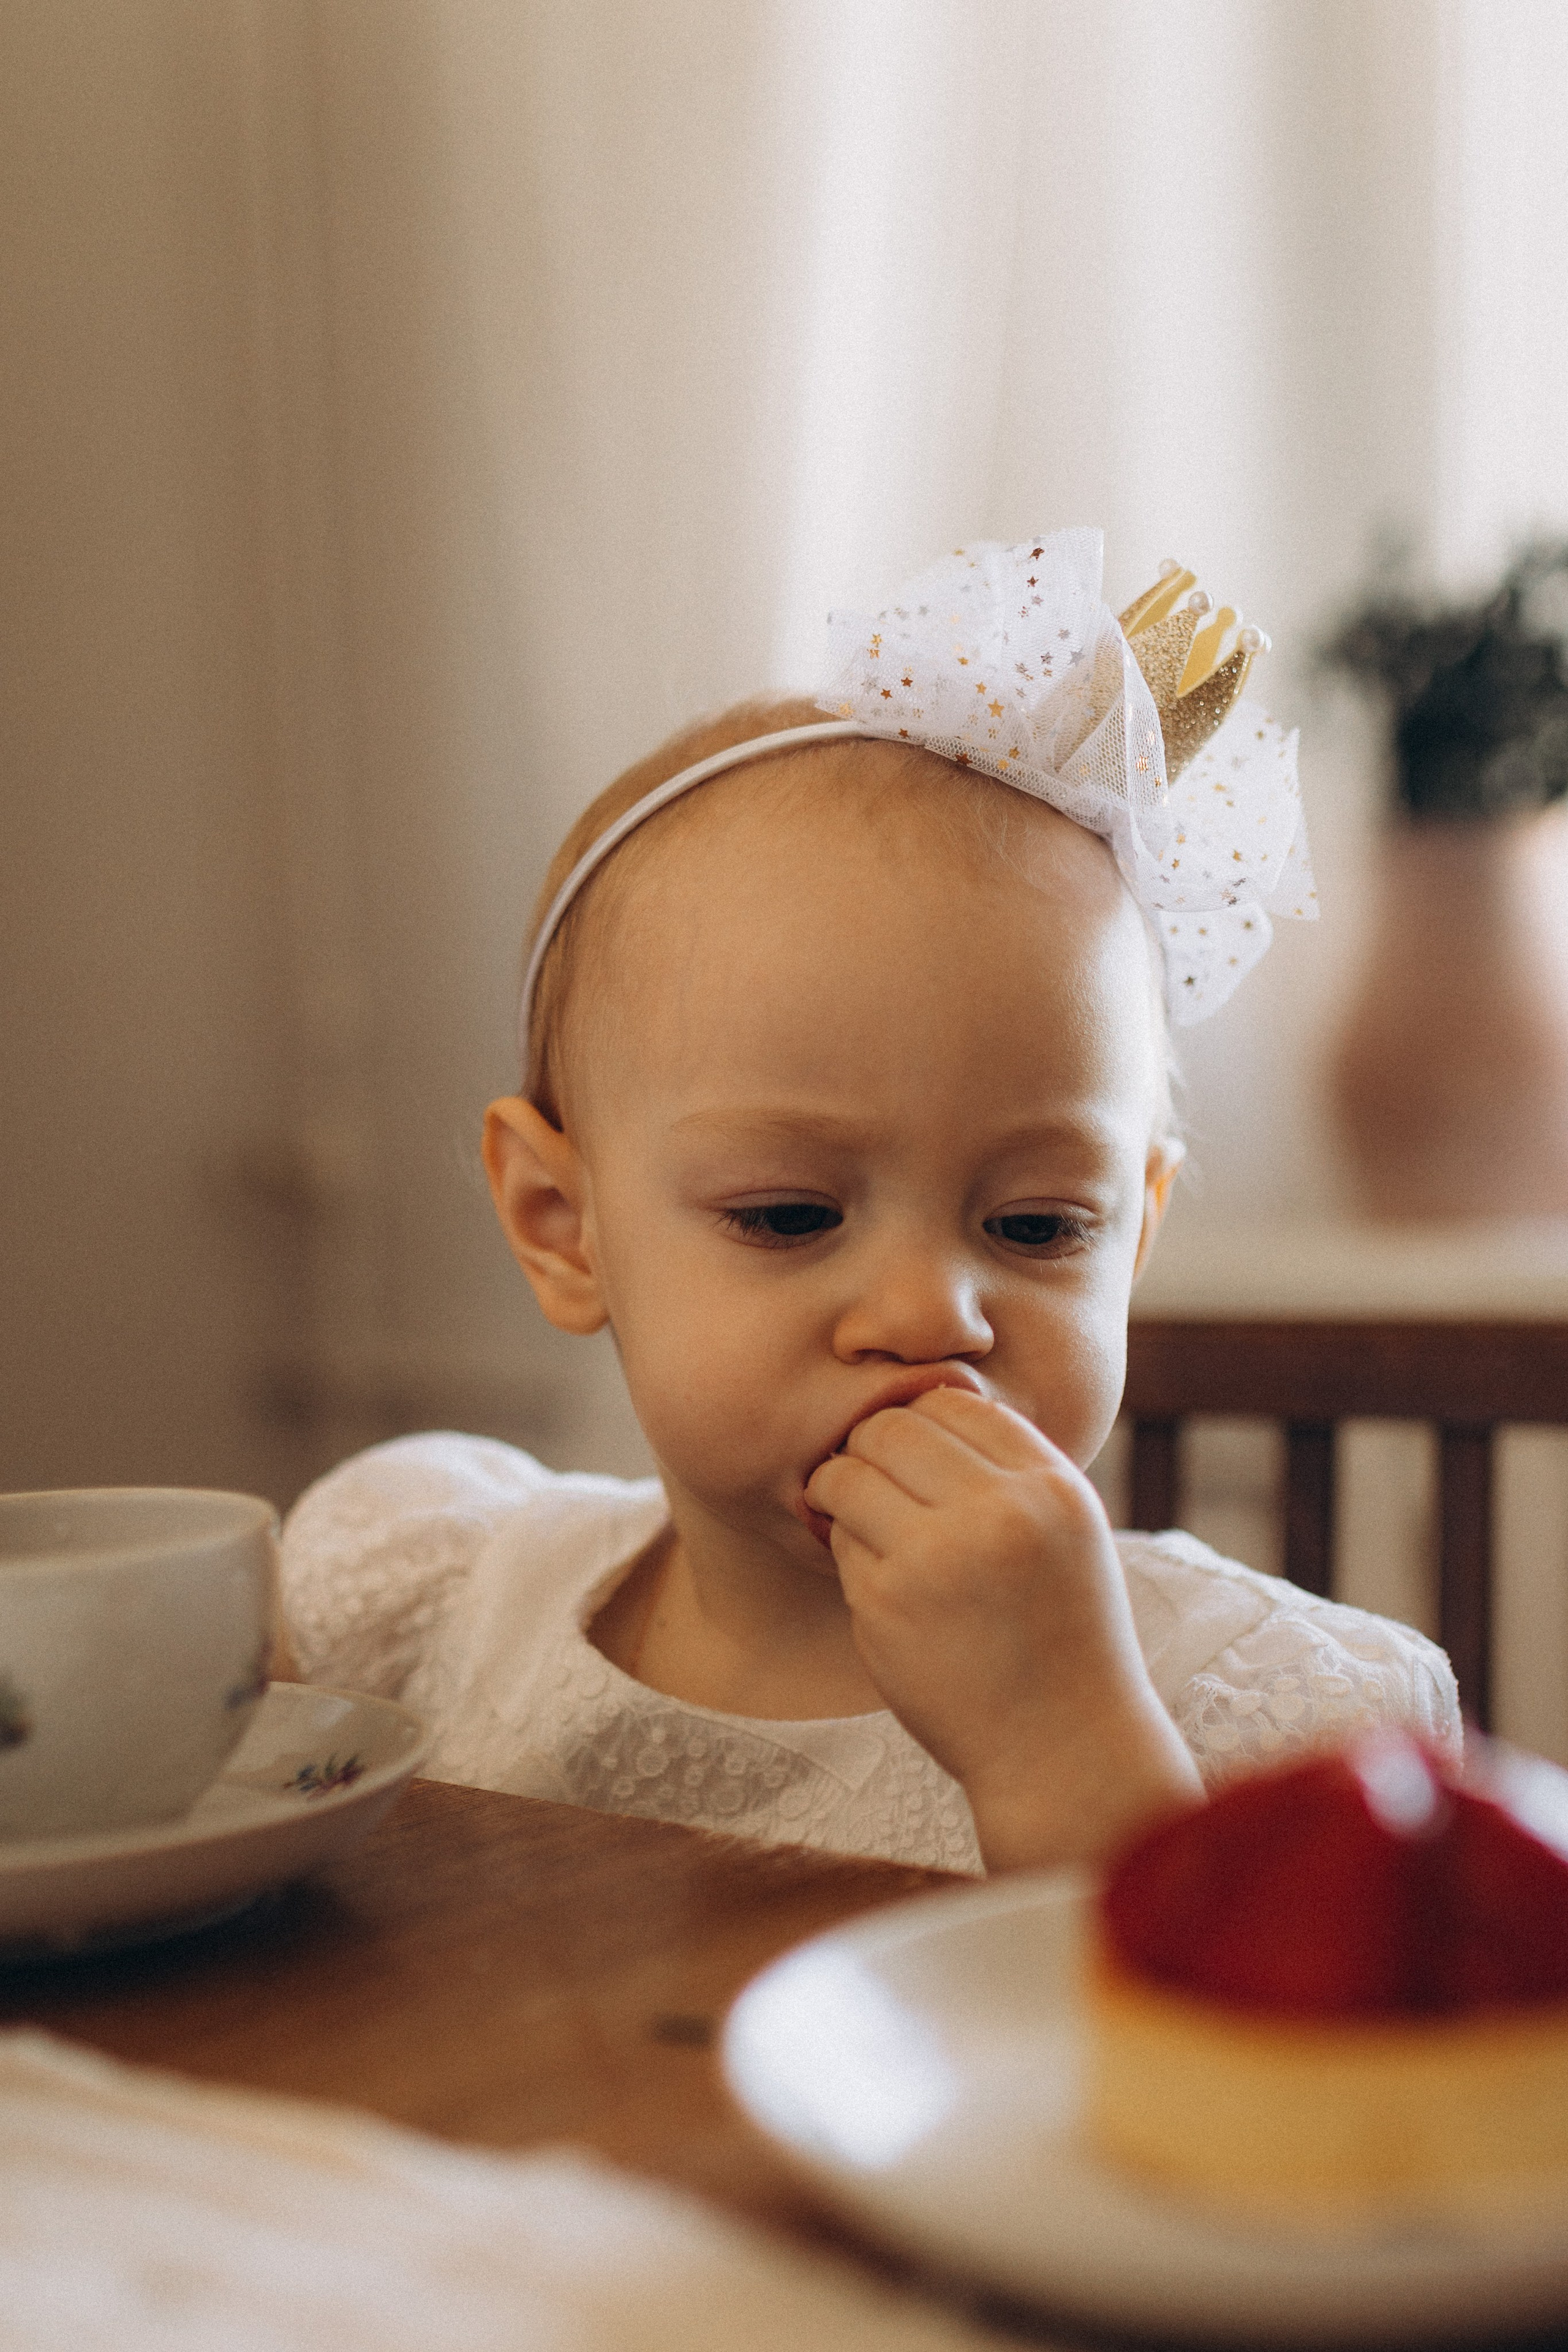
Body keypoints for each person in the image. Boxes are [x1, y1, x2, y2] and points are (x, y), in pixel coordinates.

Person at [280, 534, 1460, 1876]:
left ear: (1131, 1234)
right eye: (788, 1216)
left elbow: (1268, 2082)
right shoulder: (439, 1597)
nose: (924, 1316)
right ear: (563, 1225)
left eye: (1034, 1227)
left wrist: (1064, 1747)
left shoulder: (1270, 1722)